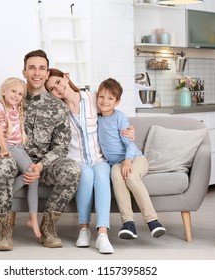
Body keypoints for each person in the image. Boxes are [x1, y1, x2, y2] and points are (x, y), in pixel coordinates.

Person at [0, 50, 81, 250]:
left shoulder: (58, 107)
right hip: (14, 161)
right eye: (32, 68)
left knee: (72, 169)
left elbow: (61, 147)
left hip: (43, 167)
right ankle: (4, 232)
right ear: (24, 71)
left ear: (47, 74)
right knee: (0, 164)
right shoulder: (12, 98)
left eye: (41, 68)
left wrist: (40, 166)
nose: (36, 73)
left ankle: (49, 226)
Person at [45, 69, 135, 254]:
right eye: (52, 89)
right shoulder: (57, 112)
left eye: (59, 82)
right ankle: (84, 230)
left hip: (98, 158)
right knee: (85, 175)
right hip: (75, 160)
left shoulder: (93, 98)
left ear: (66, 78)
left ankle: (103, 234)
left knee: (102, 175)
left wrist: (129, 131)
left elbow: (113, 114)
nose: (58, 89)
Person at [96, 78, 166, 240]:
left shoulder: (119, 118)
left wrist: (127, 160)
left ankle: (152, 221)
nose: (105, 101)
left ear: (117, 101)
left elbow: (129, 142)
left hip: (135, 158)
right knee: (117, 177)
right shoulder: (96, 118)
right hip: (115, 164)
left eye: (110, 98)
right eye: (101, 96)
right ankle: (128, 224)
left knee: (132, 178)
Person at [0, 77, 40, 251]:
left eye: (20, 93)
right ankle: (32, 218)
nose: (17, 96)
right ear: (3, 91)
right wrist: (5, 150)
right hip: (11, 148)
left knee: (33, 175)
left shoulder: (17, 107)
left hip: (19, 147)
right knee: (33, 173)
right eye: (13, 91)